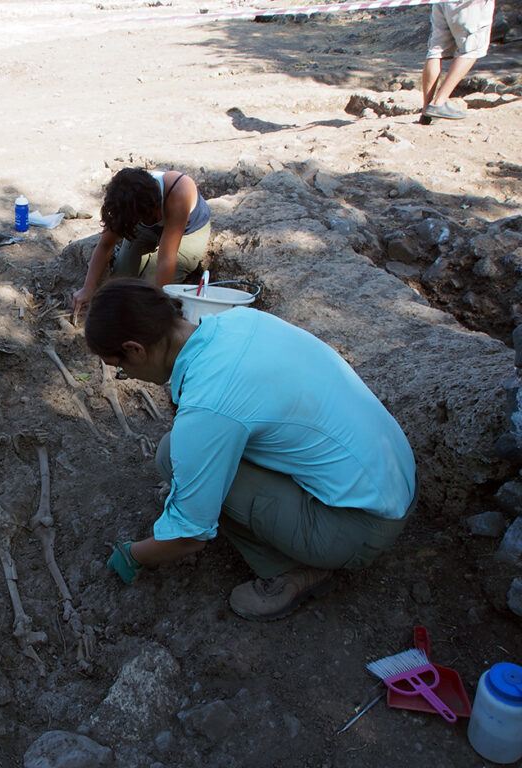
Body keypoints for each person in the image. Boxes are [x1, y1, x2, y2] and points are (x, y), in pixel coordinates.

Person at [86, 279, 417, 621]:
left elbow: (189, 536)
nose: (127, 374)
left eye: (120, 368)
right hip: (394, 478)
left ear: (136, 349)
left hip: (359, 526)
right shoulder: (238, 321)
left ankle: (291, 570)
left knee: (176, 458)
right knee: (182, 451)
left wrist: (134, 554)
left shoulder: (210, 403)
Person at [71, 167, 211, 317]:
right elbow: (105, 245)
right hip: (148, 228)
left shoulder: (178, 192)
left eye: (154, 215)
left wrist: (158, 304)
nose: (156, 217)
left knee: (149, 291)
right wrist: (88, 288)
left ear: (155, 205)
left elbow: (166, 259)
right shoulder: (127, 201)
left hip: (188, 231)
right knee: (120, 283)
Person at [420, 0, 496, 122]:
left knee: (436, 50)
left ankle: (426, 110)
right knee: (471, 50)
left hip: (442, 3)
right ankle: (438, 102)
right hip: (469, 6)